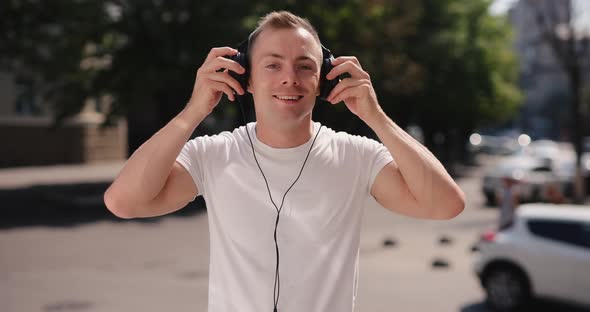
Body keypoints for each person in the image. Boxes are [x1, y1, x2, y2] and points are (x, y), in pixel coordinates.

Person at [104, 11, 465, 312]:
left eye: (305, 66)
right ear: (245, 77)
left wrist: (376, 117)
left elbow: (446, 204)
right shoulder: (213, 154)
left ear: (324, 79)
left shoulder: (356, 155)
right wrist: (195, 110)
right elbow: (123, 202)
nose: (289, 78)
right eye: (272, 65)